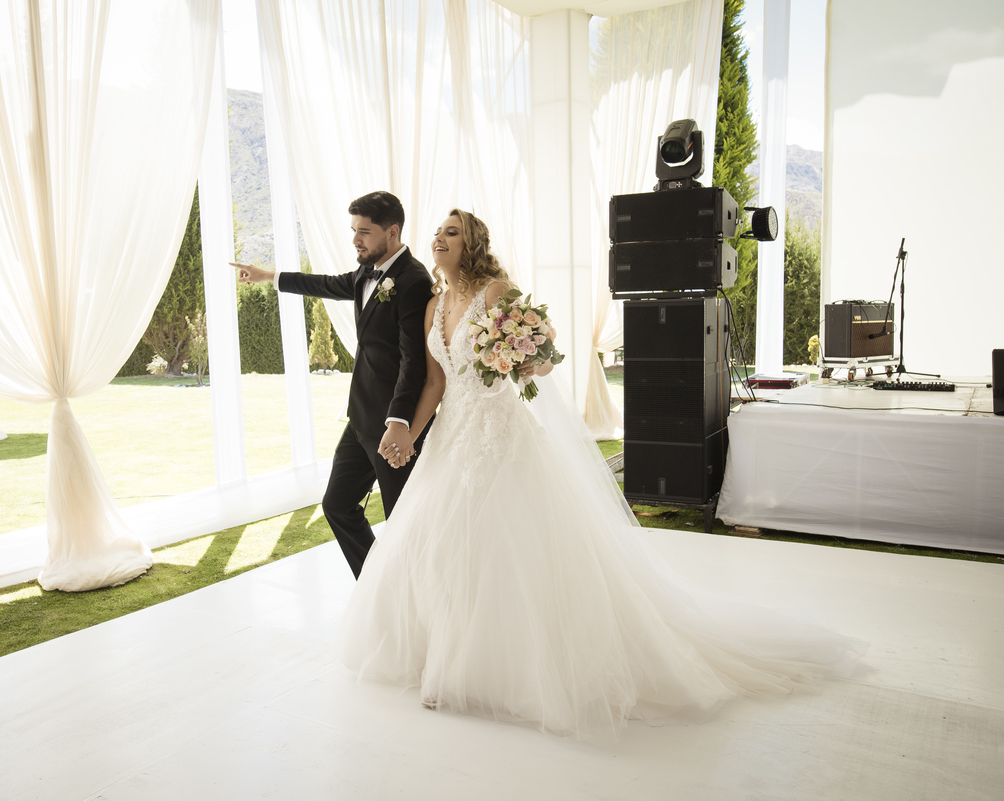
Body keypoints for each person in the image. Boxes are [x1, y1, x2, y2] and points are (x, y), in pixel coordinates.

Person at [335, 209, 865, 739]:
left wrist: (528, 357)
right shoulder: (431, 307)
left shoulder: (497, 293)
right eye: (438, 232)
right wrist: (404, 432)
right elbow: (432, 383)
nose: (440, 239)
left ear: (472, 243)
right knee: (444, 547)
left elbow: (541, 359)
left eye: (452, 232)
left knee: (504, 550)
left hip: (499, 435)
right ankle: (444, 662)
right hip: (452, 440)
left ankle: (496, 671)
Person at [234, 191, 433, 578]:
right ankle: (379, 586)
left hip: (395, 425)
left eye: (364, 231)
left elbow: (415, 363)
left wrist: (400, 421)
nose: (355, 239)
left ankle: (416, 601)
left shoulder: (413, 281)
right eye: (354, 230)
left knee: (403, 520)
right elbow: (327, 283)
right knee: (337, 505)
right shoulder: (366, 270)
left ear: (392, 232)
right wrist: (268, 276)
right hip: (360, 419)